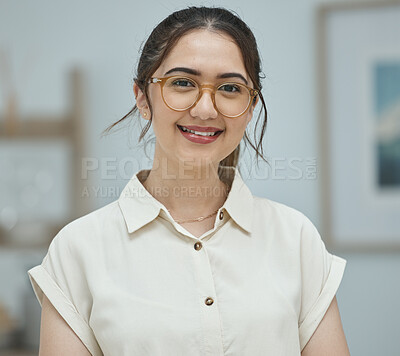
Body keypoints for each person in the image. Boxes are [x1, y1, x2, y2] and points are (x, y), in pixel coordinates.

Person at [28, 6, 350, 356]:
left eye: (230, 88)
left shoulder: (296, 238)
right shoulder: (77, 250)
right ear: (142, 98)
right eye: (183, 83)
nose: (206, 109)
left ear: (250, 106)